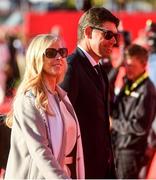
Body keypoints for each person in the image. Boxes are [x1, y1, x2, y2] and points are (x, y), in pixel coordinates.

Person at [4, 34, 85, 179]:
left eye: (62, 52)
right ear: (37, 58)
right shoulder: (28, 100)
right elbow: (40, 150)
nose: (59, 57)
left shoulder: (61, 97)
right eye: (51, 53)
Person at [61, 7, 120, 179]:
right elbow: (62, 125)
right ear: (88, 32)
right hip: (81, 169)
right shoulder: (71, 68)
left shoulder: (100, 70)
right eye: (108, 34)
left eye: (116, 36)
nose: (114, 41)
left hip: (102, 167)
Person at [111, 44, 156, 179]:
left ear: (143, 65)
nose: (127, 69)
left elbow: (140, 126)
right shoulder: (128, 83)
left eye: (132, 65)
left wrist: (114, 124)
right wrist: (118, 66)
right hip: (117, 147)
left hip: (131, 153)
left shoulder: (147, 90)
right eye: (126, 65)